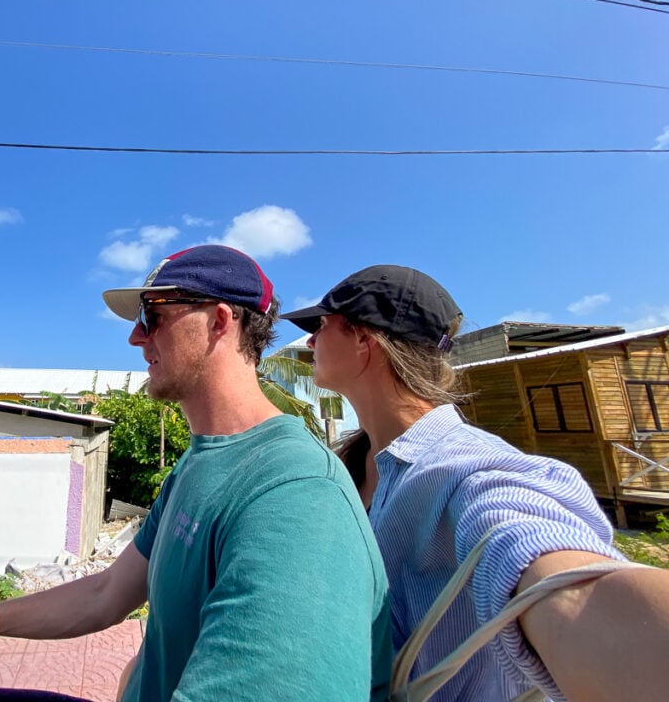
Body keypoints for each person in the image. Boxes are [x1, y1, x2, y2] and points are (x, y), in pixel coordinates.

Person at [0, 244, 392, 702]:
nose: (136, 336)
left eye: (153, 316)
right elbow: (107, 592)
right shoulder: (202, 462)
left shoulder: (294, 494)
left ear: (218, 321)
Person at [281, 265, 669, 702]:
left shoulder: (468, 470)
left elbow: (535, 547)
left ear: (364, 339)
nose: (311, 340)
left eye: (321, 325)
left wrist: (575, 602)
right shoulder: (355, 462)